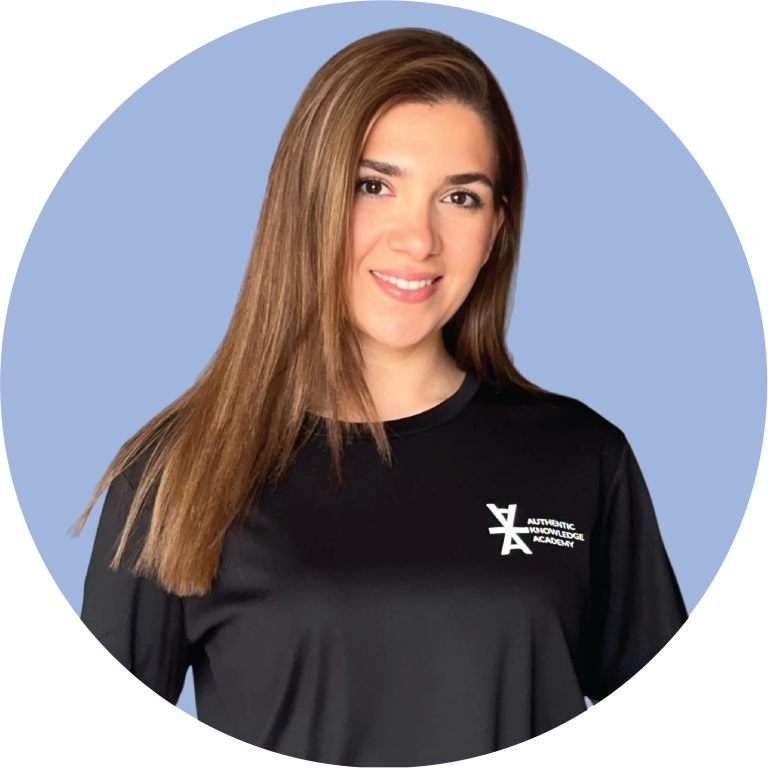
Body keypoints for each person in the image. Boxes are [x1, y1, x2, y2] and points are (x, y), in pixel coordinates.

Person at [73, 27, 688, 763]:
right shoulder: (177, 471)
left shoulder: (584, 459)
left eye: (460, 197)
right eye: (374, 186)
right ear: (306, 202)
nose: (418, 238)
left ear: (495, 229)